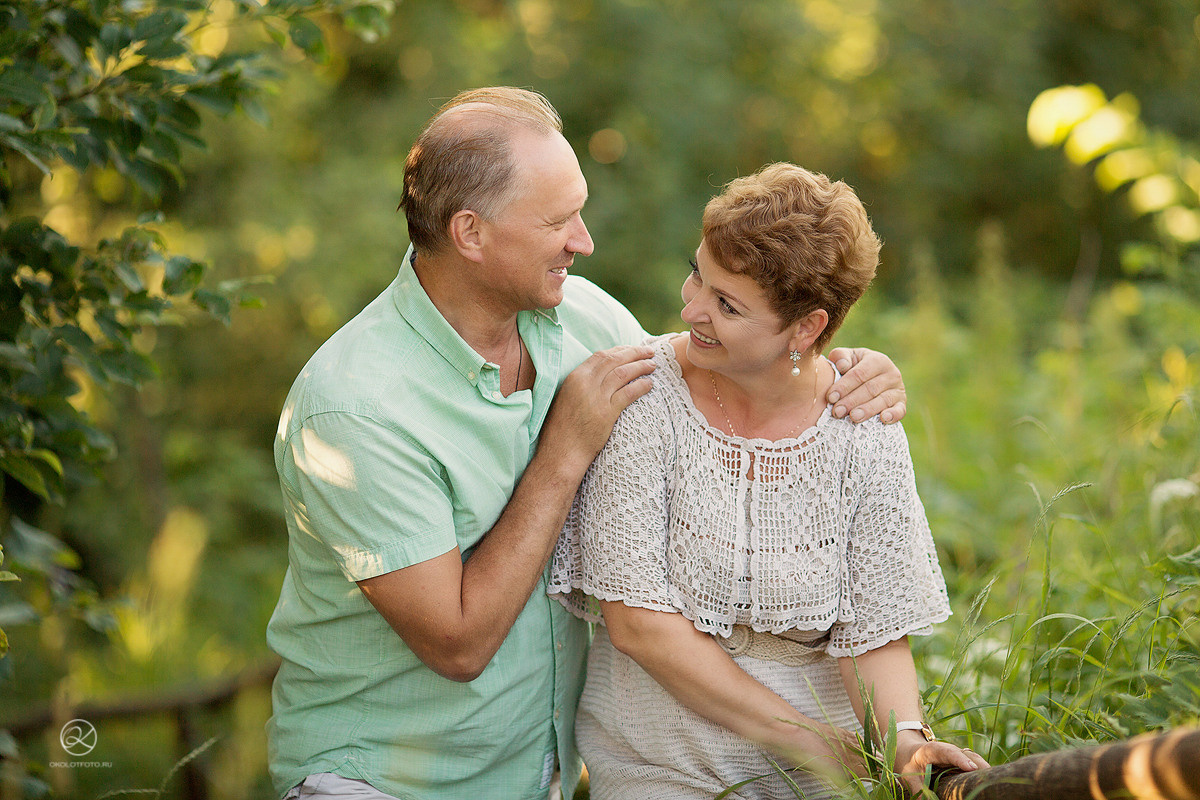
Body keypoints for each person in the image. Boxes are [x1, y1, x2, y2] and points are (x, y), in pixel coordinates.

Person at [266, 88, 908, 800]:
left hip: (536, 779)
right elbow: (458, 645)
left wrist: (849, 371)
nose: (583, 240)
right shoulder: (355, 408)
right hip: (376, 780)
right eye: (557, 220)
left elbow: (733, 361)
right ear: (471, 233)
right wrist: (564, 450)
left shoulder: (585, 319)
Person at [549, 162, 988, 799]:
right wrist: (822, 746)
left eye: (727, 305)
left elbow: (874, 633)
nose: (691, 308)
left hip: (824, 776)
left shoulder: (862, 427)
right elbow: (638, 625)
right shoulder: (644, 398)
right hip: (664, 764)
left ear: (807, 327)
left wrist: (904, 746)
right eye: (698, 274)